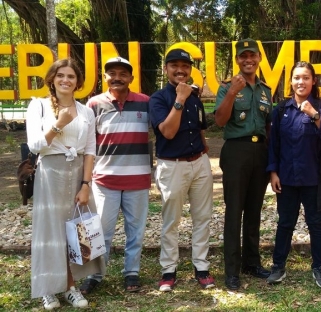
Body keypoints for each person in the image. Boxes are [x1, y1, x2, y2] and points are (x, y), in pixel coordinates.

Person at [27, 58, 104, 309]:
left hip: (78, 171)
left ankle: (70, 286)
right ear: (52, 78)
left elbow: (91, 150)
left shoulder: (86, 111)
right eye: (60, 75)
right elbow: (35, 146)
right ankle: (48, 289)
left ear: (78, 82)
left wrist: (86, 184)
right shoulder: (38, 106)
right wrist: (58, 124)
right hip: (51, 172)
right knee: (50, 232)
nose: (65, 80)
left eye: (71, 76)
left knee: (76, 232)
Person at [80, 57, 150, 294]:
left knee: (136, 231)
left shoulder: (146, 103)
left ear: (131, 78)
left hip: (138, 180)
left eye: (123, 73)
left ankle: (132, 273)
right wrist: (85, 182)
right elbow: (88, 145)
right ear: (105, 77)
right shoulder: (94, 104)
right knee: (100, 231)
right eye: (112, 73)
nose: (117, 77)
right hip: (104, 181)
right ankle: (95, 274)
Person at [266, 61, 321, 287]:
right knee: (285, 222)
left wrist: (314, 115)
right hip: (286, 177)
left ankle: (319, 267)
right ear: (291, 81)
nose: (301, 82)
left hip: (313, 177)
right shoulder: (281, 110)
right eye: (297, 77)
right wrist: (273, 172)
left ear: (313, 81)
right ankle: (278, 266)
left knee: (316, 222)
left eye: (306, 77)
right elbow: (273, 145)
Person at [149, 48, 215, 290]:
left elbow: (200, 128)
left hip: (199, 162)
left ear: (190, 69)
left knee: (203, 217)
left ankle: (201, 265)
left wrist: (204, 153)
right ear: (166, 69)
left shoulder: (195, 96)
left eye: (185, 66)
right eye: (174, 65)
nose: (180, 70)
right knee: (172, 220)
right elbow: (167, 131)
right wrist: (180, 100)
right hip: (172, 165)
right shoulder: (158, 98)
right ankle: (168, 269)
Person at [214, 38, 272, 290]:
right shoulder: (227, 86)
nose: (248, 60)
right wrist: (232, 92)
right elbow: (219, 120)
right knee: (234, 211)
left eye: (252, 55)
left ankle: (252, 262)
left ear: (259, 58)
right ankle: (232, 271)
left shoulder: (265, 90)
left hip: (261, 151)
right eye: (243, 56)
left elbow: (268, 124)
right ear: (237, 60)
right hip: (236, 150)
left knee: (254, 211)